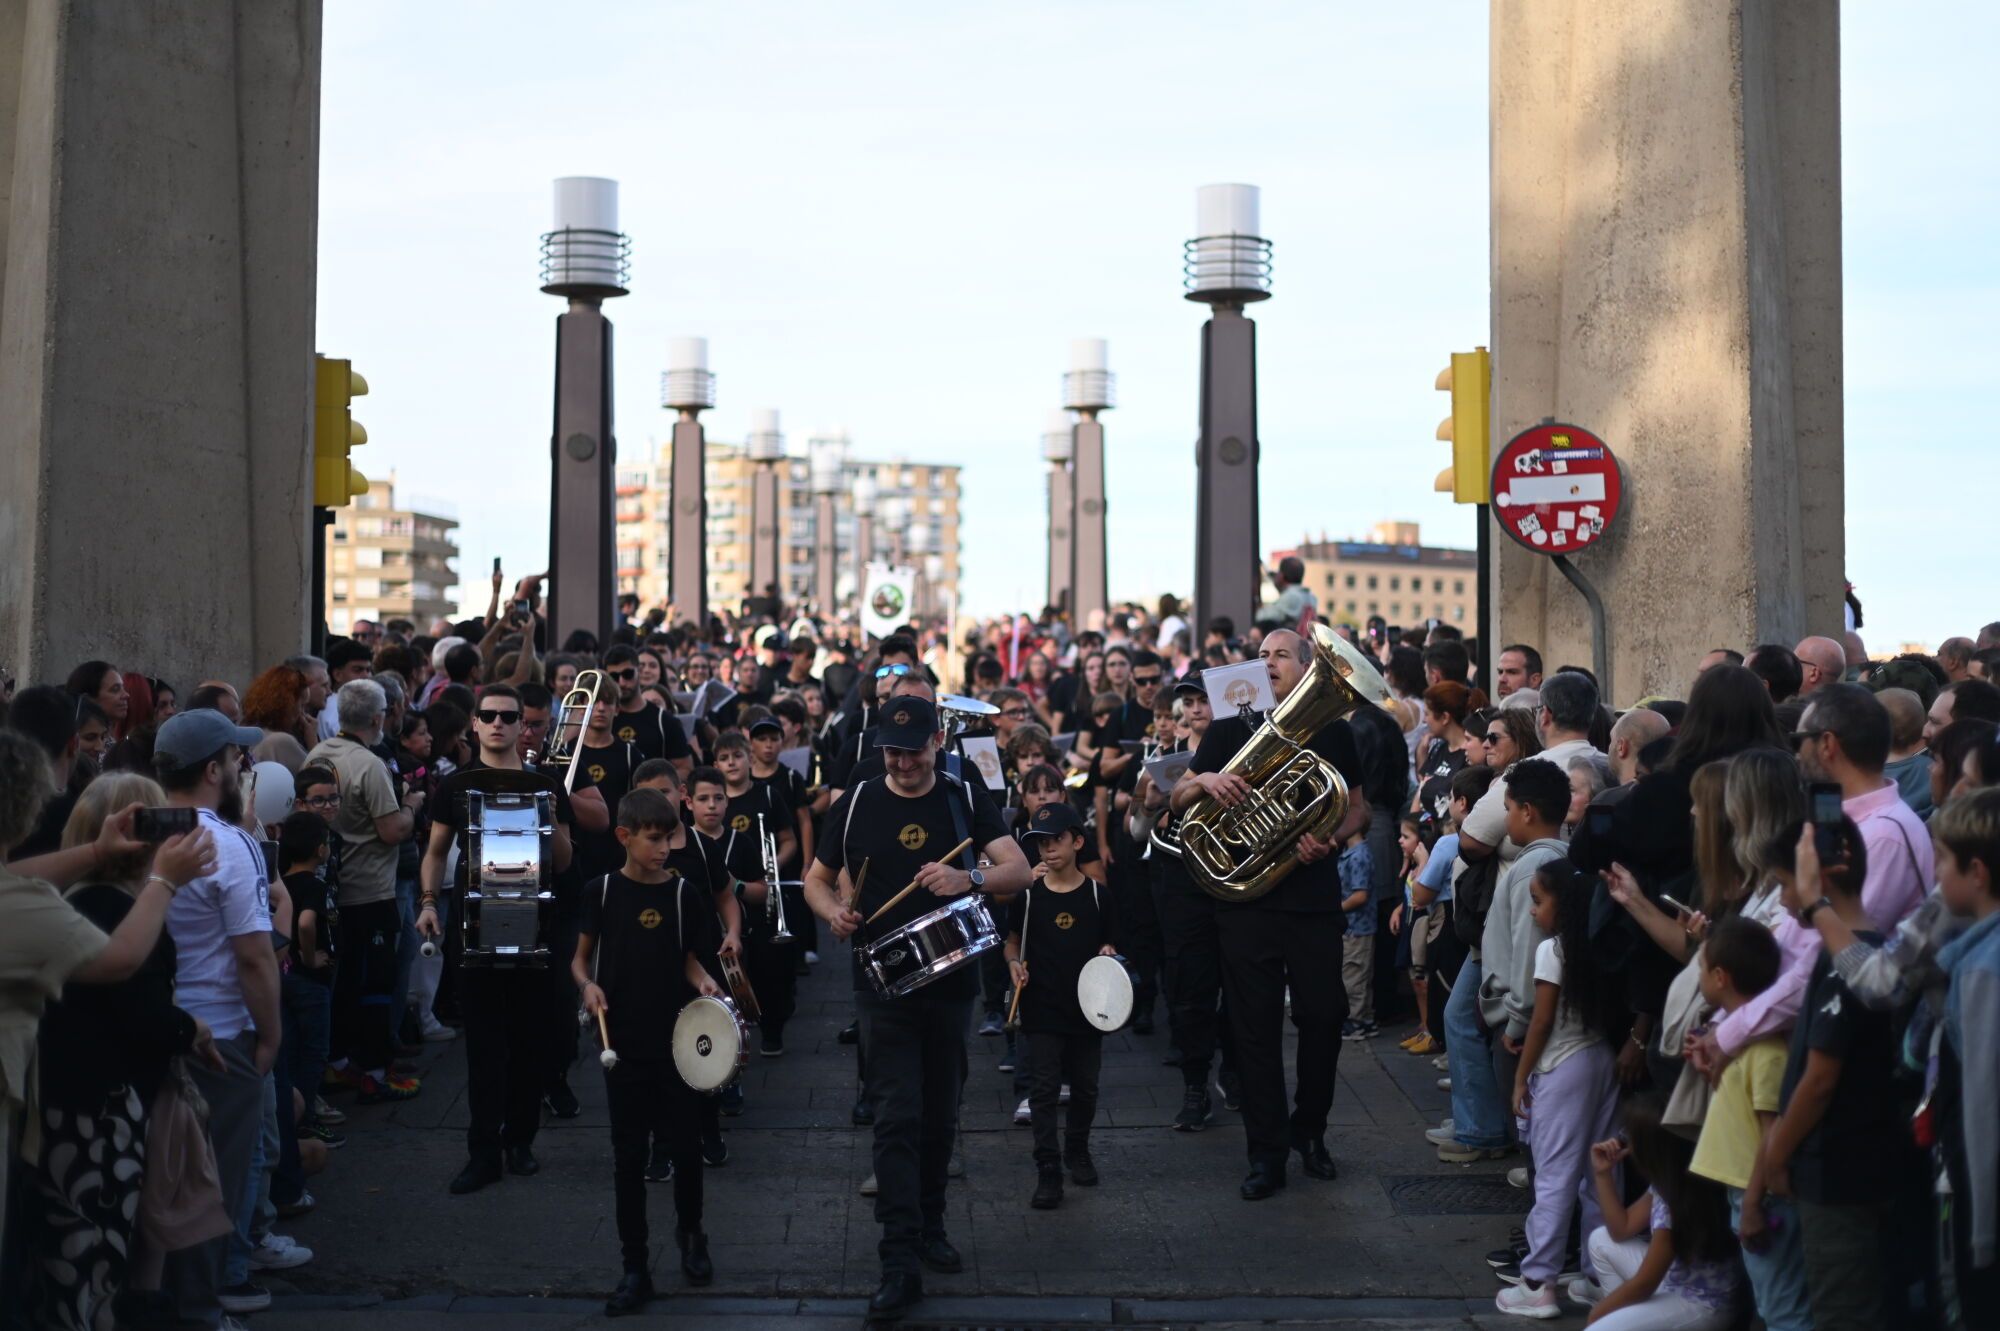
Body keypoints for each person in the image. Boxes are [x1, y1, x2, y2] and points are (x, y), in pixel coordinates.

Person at [802, 696, 1029, 1319]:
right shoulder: (856, 804)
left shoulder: (961, 794)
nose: (902, 761)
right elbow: (817, 879)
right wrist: (834, 915)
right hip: (882, 984)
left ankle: (931, 1223)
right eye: (892, 751)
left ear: (937, 742)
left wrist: (969, 879)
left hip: (953, 982)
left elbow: (1020, 869)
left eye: (914, 748)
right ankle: (898, 1257)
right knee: (895, 1117)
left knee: (938, 1115)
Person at [11, 766, 217, 1329]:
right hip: (90, 1116)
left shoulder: (74, 895)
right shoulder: (111, 906)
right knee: (87, 1272)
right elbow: (131, 984)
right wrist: (188, 1029)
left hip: (59, 1108)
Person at [1172, 629, 1366, 1199]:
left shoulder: (1333, 730)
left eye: (1280, 654)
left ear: (1307, 668)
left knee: (1325, 1017)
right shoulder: (1228, 729)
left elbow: (1358, 808)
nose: (1268, 662)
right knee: (1251, 1029)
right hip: (1245, 904)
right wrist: (1204, 779)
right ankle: (1266, 1154)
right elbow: (1179, 798)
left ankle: (1311, 1133)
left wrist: (1327, 835)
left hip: (1311, 900)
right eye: (1262, 655)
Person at [416, 683, 576, 1195]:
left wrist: (551, 819)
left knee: (531, 1044)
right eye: (490, 715)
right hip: (475, 930)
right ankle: (483, 1151)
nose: (501, 723)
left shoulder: (546, 781)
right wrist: (425, 903)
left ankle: (521, 1142)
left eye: (510, 715)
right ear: (476, 723)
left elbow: (567, 860)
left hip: (535, 929)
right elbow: (437, 850)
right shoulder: (456, 785)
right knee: (484, 1050)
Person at [151, 709, 283, 1327]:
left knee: (160, 1184)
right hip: (219, 1039)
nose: (243, 769)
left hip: (153, 1030)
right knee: (212, 1188)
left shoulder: (139, 828)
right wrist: (269, 1040)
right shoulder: (229, 843)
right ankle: (199, 1313)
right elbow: (255, 956)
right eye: (237, 759)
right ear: (213, 770)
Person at [574, 788, 721, 1315]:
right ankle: (634, 1266)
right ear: (624, 837)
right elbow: (580, 959)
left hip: (680, 1045)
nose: (664, 848)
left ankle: (691, 1233)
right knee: (629, 1158)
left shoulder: (684, 895)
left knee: (685, 1149)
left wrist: (705, 981)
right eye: (654, 839)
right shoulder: (602, 892)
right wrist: (587, 988)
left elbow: (689, 960)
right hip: (624, 1047)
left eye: (670, 838)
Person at [1754, 817, 1904, 1331]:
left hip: (1842, 1174)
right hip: (1846, 1168)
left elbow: (1820, 1079)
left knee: (1844, 1311)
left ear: (1823, 878)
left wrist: (1775, 1154)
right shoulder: (1856, 952)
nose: (1780, 898)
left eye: (1784, 882)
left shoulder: (1850, 963)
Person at [1493, 860, 1626, 1317]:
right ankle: (1598, 1275)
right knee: (1601, 1175)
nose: (1533, 910)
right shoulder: (1600, 948)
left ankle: (1538, 1282)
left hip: (1562, 1066)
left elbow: (1542, 1020)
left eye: (1538, 899)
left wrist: (1519, 1075)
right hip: (1602, 1060)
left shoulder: (1554, 950)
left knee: (1553, 1178)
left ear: (1562, 906)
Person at [1437, 758, 1573, 1164]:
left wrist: (1516, 1020)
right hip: (1526, 1010)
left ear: (1527, 811)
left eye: (1508, 808)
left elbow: (1528, 950)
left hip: (1519, 1015)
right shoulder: (1555, 854)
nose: (1507, 817)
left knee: (1525, 1108)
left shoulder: (1532, 863)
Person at [1686, 914, 1808, 1331]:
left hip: (1762, 1197)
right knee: (1771, 1301)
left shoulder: (1766, 1052)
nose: (1698, 975)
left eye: (1700, 968)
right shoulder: (1741, 1046)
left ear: (1720, 977)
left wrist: (1754, 1202)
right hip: (1745, 1193)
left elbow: (1769, 1134)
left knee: (1783, 1310)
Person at [306, 679, 423, 1103]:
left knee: (344, 983)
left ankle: (338, 1063)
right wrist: (412, 805)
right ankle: (374, 1070)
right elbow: (391, 832)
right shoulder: (370, 764)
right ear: (379, 717)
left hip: (333, 889)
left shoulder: (318, 754)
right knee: (376, 984)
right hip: (371, 890)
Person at [1006, 801, 1117, 1211]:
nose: (1048, 849)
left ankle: (1078, 1150)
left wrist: (1109, 951)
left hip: (1089, 1007)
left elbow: (1112, 944)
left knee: (1086, 1087)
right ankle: (1047, 1167)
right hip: (1042, 1008)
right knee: (1044, 1089)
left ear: (1077, 841)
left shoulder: (1098, 896)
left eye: (1056, 841)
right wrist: (1014, 965)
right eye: (1041, 843)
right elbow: (1012, 942)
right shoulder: (1029, 897)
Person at [1574, 1099, 1741, 1328]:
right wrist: (1603, 1174)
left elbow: (1645, 1284)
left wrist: (1598, 1315)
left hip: (1703, 1304)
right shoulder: (1675, 1177)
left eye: (1630, 1137)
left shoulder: (1677, 1199)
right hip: (1680, 1283)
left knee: (1599, 1326)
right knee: (1600, 1240)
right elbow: (1621, 1229)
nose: (1626, 1144)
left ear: (1651, 1149)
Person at [1795, 683, 1932, 932]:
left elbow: (1842, 949)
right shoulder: (1831, 813)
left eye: (1798, 741)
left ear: (1827, 744)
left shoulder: (1884, 835)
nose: (1796, 754)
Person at [603, 644, 694, 778]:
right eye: (615, 677)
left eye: (628, 674)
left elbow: (685, 769)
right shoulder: (601, 718)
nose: (622, 682)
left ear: (639, 672)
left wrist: (657, 788)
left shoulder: (664, 721)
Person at [1337, 827, 1379, 1040]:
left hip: (1358, 927)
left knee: (1353, 975)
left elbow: (1360, 895)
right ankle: (1366, 1019)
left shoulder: (1358, 855)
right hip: (1354, 926)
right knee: (1358, 973)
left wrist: (1336, 908)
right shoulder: (1351, 853)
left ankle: (1356, 1021)